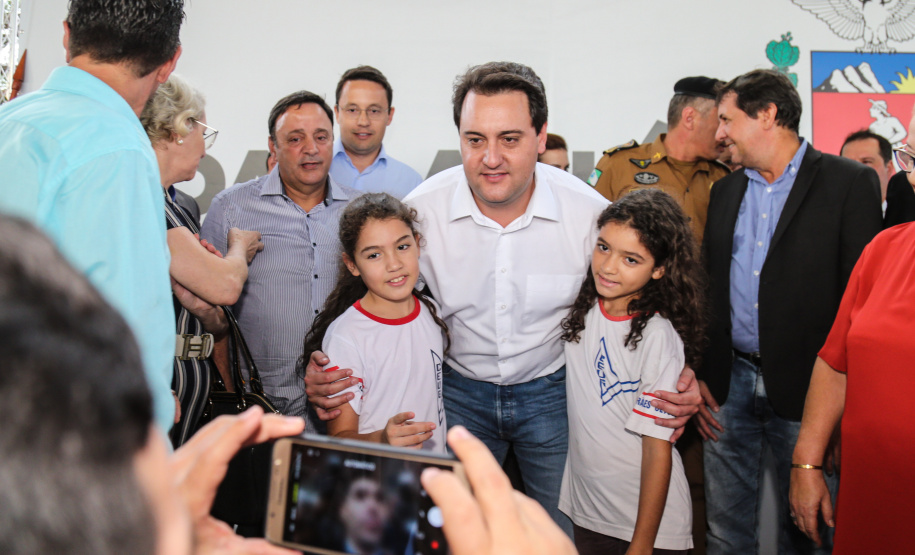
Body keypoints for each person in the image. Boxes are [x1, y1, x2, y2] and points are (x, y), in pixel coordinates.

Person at [307, 61, 702, 536]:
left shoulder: (589, 217)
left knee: (563, 535)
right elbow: (366, 292)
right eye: (475, 140)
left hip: (553, 395)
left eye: (510, 139)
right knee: (455, 534)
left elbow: (650, 299)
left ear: (541, 135)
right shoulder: (421, 212)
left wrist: (679, 376)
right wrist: (327, 366)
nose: (490, 157)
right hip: (456, 395)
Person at [696, 69, 883, 555]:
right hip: (727, 388)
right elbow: (708, 288)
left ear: (768, 115)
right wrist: (701, 372)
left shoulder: (849, 182)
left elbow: (860, 305)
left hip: (811, 393)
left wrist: (846, 412)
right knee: (724, 534)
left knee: (811, 533)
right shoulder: (726, 191)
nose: (719, 134)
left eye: (726, 120)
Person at [0, 0, 184, 433]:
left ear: (66, 36)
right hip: (59, 441)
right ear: (169, 62)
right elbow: (126, 326)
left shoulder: (9, 120)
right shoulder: (115, 147)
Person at [200, 91, 358, 423]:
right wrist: (230, 392)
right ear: (273, 146)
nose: (311, 149)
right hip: (261, 404)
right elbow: (210, 311)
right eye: (295, 138)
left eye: (321, 137)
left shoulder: (360, 213)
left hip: (346, 404)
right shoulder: (232, 208)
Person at [559, 189, 702, 555]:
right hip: (589, 514)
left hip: (647, 527)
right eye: (603, 247)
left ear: (659, 269)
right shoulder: (585, 309)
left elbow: (658, 452)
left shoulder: (657, 335)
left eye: (631, 259)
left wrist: (642, 544)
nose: (608, 266)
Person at [140, 74, 265, 445]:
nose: (205, 150)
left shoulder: (177, 205)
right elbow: (225, 285)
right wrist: (239, 248)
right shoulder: (145, 199)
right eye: (203, 132)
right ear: (177, 129)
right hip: (160, 397)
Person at [301, 193, 449, 452]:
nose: (394, 264)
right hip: (377, 481)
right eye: (373, 255)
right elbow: (339, 439)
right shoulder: (347, 336)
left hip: (432, 476)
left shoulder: (431, 310)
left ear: (417, 243)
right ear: (352, 264)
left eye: (402, 247)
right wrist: (382, 441)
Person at [587, 76, 729, 243]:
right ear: (690, 118)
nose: (725, 132)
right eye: (721, 121)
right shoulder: (618, 165)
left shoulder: (723, 178)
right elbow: (587, 232)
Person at [330, 66, 423, 199]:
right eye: (352, 110)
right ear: (337, 113)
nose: (363, 121)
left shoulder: (411, 183)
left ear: (390, 116)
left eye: (374, 111)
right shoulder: (312, 171)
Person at [838, 130, 894, 215]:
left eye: (866, 162)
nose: (856, 170)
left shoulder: (906, 215)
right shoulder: (830, 217)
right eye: (849, 163)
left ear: (889, 168)